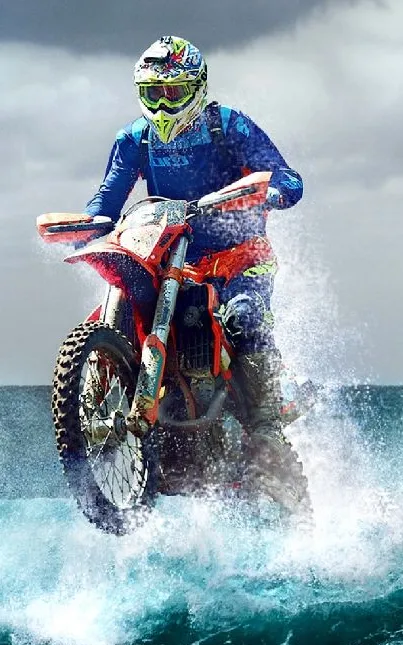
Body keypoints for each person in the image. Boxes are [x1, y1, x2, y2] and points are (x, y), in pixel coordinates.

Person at [85, 35, 308, 513]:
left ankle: (266, 421)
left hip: (240, 258)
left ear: (197, 87)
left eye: (174, 92)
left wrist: (273, 192)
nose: (163, 105)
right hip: (172, 259)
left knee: (245, 317)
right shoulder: (135, 138)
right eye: (153, 94)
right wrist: (92, 226)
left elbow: (287, 177)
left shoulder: (228, 126)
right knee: (126, 300)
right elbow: (108, 196)